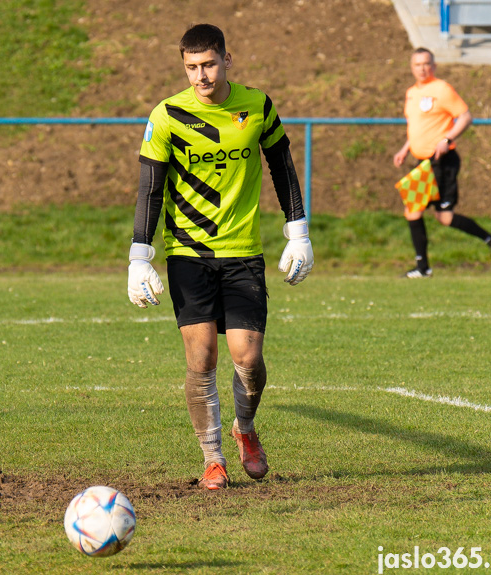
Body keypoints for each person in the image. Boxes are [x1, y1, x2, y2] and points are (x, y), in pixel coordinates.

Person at [126, 24, 313, 490]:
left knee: (248, 359)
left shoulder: (257, 106)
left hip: (243, 251)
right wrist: (139, 256)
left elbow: (283, 167)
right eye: (191, 67)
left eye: (208, 65)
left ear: (228, 59)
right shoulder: (167, 114)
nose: (200, 76)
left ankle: (244, 429)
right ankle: (213, 458)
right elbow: (151, 188)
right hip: (187, 252)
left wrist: (299, 232)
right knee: (202, 357)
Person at [393, 47, 491, 278]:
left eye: (426, 63)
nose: (422, 68)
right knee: (415, 211)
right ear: (411, 67)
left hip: (441, 162)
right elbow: (419, 127)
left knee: (440, 216)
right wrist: (405, 148)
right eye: (417, 64)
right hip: (422, 162)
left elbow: (465, 117)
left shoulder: (442, 89)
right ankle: (423, 267)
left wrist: (447, 139)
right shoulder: (411, 93)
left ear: (433, 66)